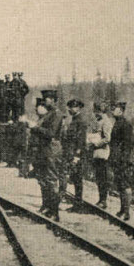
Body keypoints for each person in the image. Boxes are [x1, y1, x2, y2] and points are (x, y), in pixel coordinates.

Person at [29, 90, 63, 221]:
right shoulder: (48, 114)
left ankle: (55, 212)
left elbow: (51, 133)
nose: (45, 101)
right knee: (44, 179)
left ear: (54, 100)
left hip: (52, 149)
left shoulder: (56, 114)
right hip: (44, 149)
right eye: (44, 98)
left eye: (48, 98)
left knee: (51, 179)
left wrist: (34, 128)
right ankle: (48, 207)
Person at [61, 99, 88, 209]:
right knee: (75, 178)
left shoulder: (80, 121)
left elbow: (81, 140)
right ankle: (77, 204)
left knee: (77, 179)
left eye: (71, 107)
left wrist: (77, 155)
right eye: (69, 107)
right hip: (71, 153)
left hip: (77, 154)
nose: (68, 109)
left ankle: (78, 205)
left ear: (78, 108)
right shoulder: (74, 120)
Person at [110, 101, 134, 220]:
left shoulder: (125, 124)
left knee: (125, 184)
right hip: (116, 159)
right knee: (120, 185)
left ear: (121, 111)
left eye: (114, 108)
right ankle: (122, 209)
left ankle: (127, 212)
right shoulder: (117, 123)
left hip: (122, 160)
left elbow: (127, 145)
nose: (112, 110)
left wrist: (124, 160)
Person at [89, 102, 114, 208]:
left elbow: (108, 138)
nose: (94, 113)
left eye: (95, 111)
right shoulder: (99, 121)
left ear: (100, 111)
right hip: (97, 153)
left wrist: (97, 143)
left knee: (102, 177)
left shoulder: (106, 121)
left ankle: (103, 201)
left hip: (103, 153)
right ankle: (101, 200)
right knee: (99, 177)